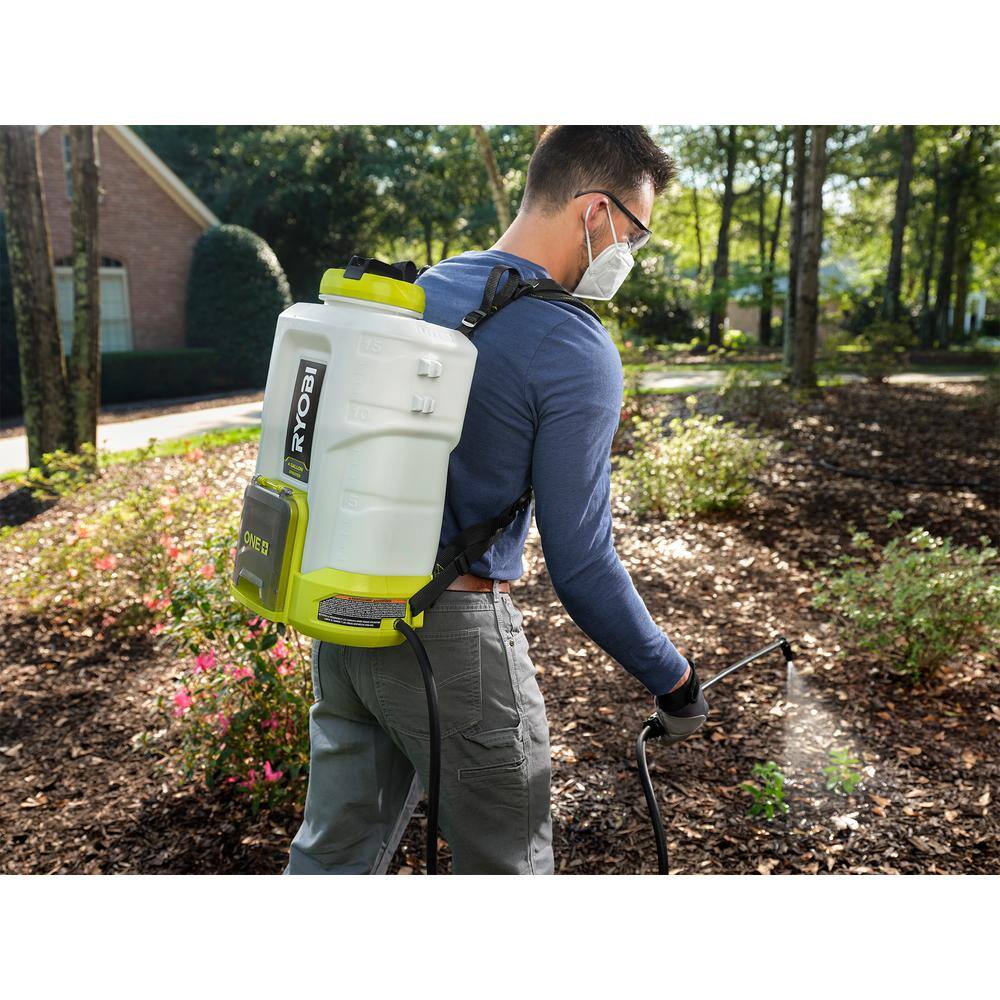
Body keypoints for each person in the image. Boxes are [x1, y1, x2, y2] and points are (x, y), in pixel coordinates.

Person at [286, 126, 708, 875]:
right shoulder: (572, 346)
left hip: (343, 615)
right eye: (635, 233)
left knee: (332, 860)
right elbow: (583, 564)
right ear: (595, 212)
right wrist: (673, 678)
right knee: (507, 868)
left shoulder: (424, 289)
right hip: (450, 645)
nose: (631, 253)